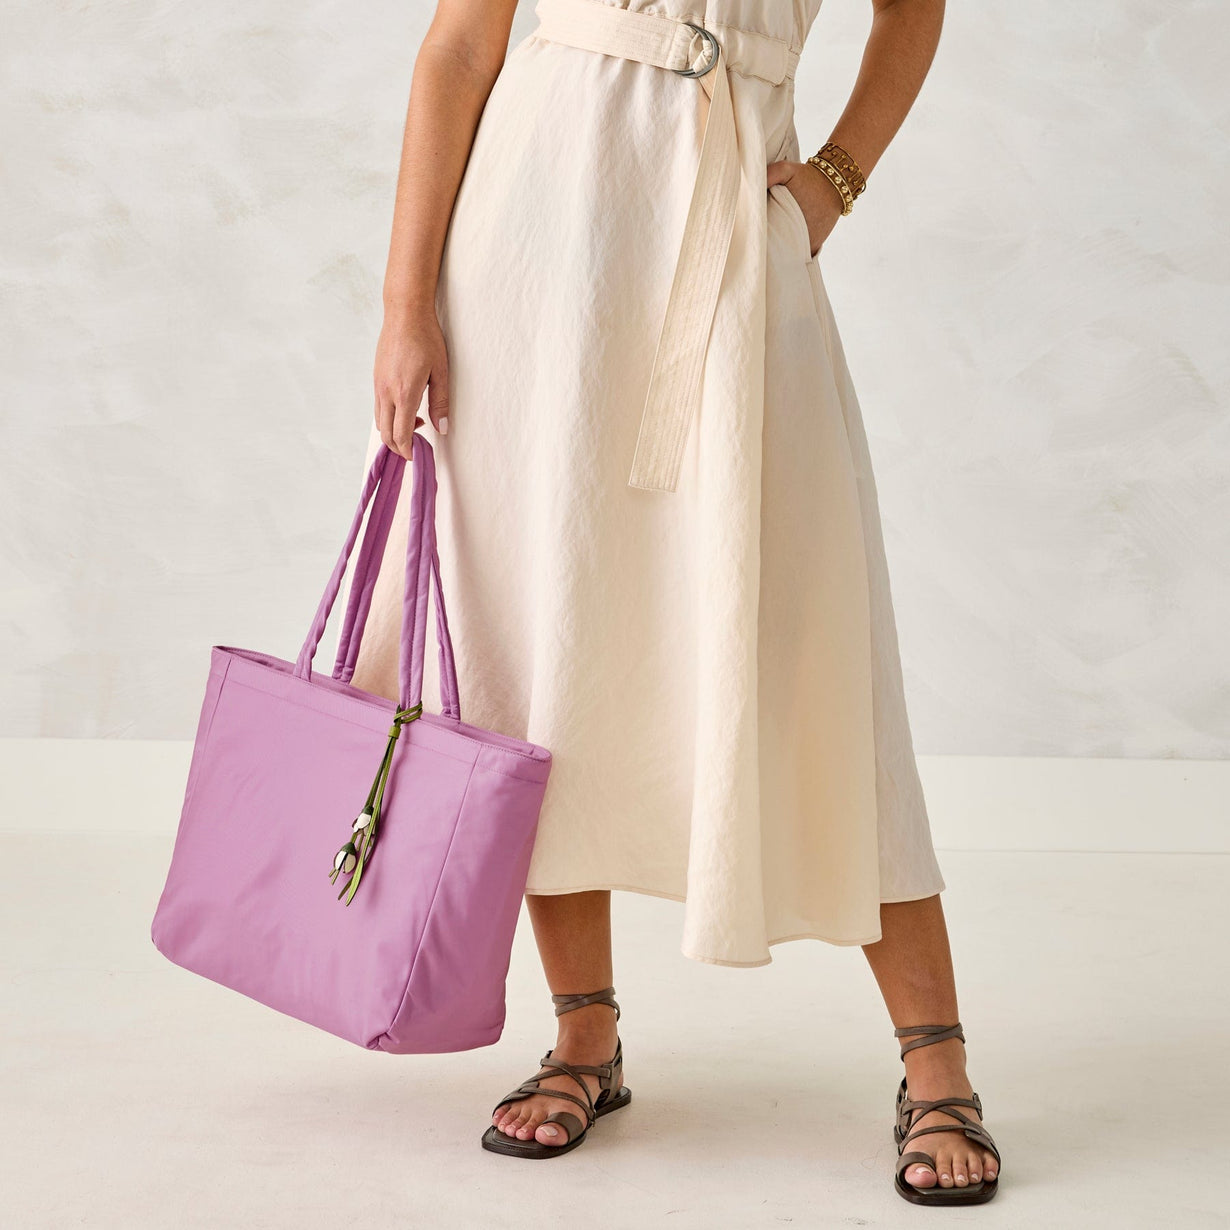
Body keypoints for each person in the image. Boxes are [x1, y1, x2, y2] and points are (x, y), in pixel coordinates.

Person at [351, 0, 1002, 1205]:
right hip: (533, 249)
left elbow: (913, 9)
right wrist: (406, 304)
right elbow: (459, 46)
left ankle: (936, 1060)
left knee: (812, 639)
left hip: (736, 245)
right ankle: (583, 1036)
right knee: (536, 634)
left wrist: (835, 182)